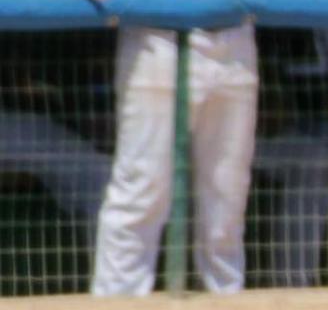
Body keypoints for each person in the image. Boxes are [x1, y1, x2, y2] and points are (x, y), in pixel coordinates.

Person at [89, 17, 259, 295]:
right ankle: (118, 306)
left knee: (228, 196)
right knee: (143, 189)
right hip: (158, 38)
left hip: (234, 37)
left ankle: (227, 303)